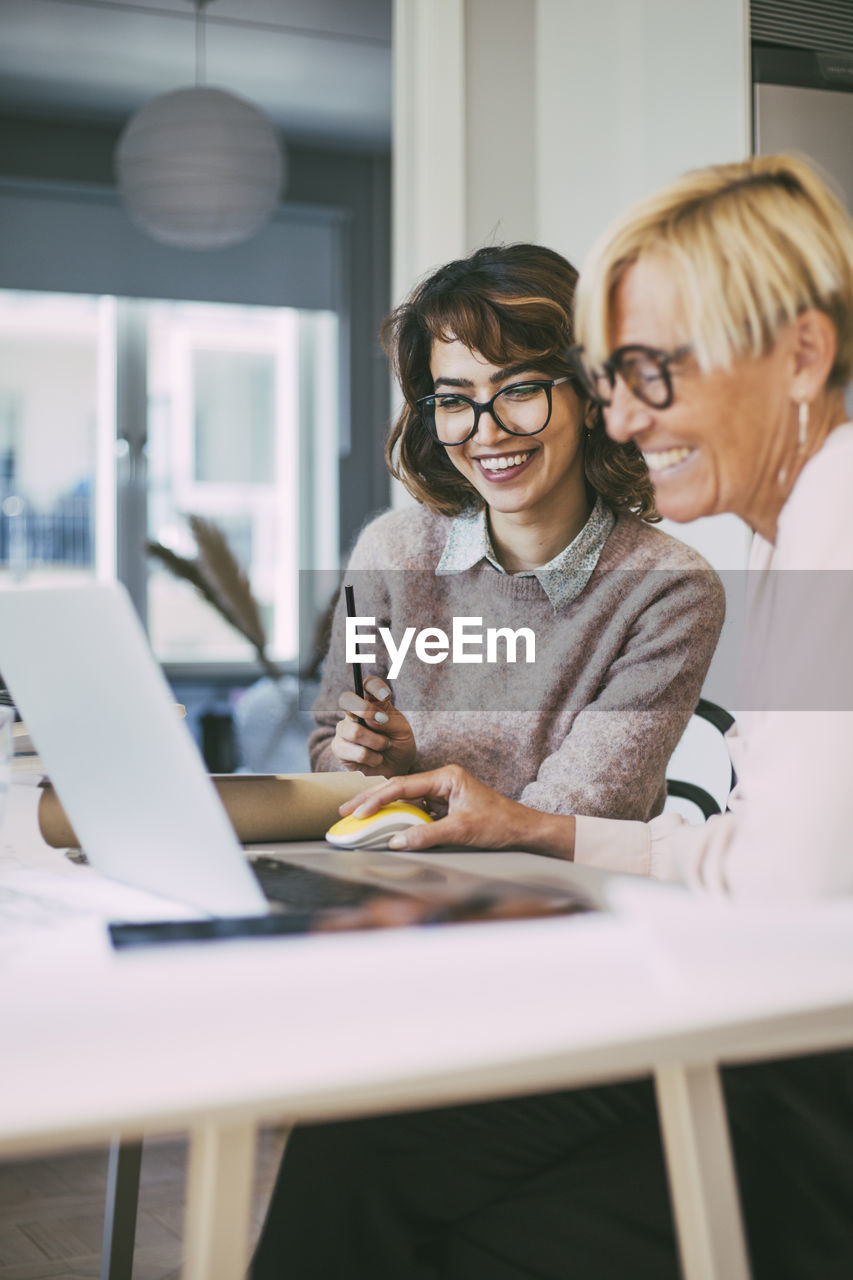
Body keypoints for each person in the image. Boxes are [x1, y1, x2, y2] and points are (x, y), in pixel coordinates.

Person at [251, 156, 853, 1280]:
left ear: (801, 356)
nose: (623, 411)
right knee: (393, 1175)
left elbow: (785, 903)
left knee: (374, 1162)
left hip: (791, 1074)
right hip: (754, 1026)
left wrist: (536, 849)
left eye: (644, 371)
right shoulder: (799, 530)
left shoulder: (818, 536)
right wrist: (519, 824)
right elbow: (764, 857)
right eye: (610, 373)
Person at [311, 244, 723, 829]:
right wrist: (378, 763)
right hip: (399, 884)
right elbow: (328, 751)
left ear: (591, 397)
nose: (487, 432)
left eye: (521, 389)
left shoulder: (669, 591)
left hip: (564, 906)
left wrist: (417, 789)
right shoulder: (393, 551)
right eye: (455, 400)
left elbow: (579, 820)